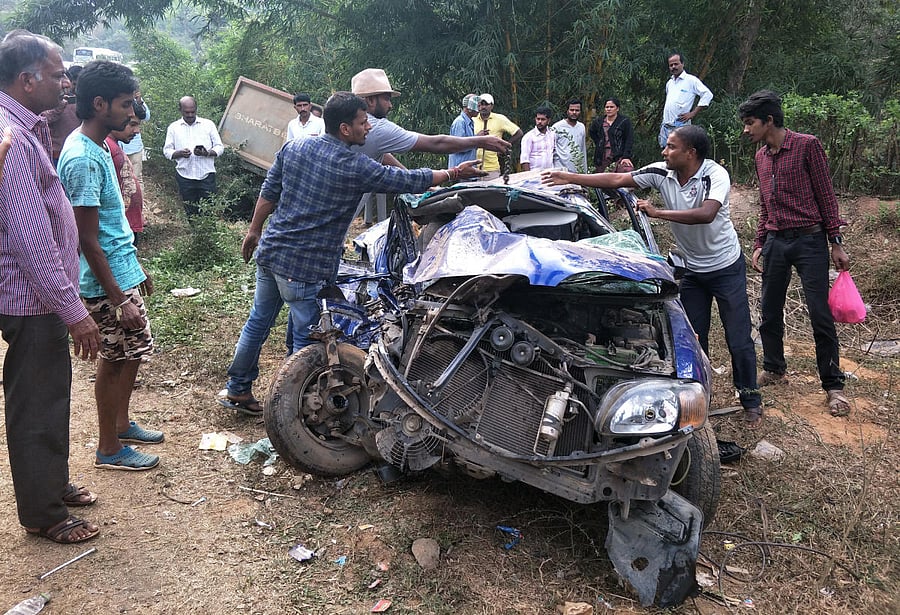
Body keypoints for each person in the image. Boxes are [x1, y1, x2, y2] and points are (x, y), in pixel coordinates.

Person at [218, 92, 485, 415]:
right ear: (345, 128)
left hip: (272, 252)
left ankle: (238, 389)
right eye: (363, 123)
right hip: (305, 266)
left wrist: (254, 230)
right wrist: (454, 175)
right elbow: (405, 180)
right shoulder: (354, 165)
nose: (368, 129)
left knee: (257, 324)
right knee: (307, 343)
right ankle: (294, 415)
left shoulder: (295, 147)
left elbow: (269, 192)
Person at [542, 125, 762, 427]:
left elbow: (706, 213)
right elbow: (618, 179)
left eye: (671, 147)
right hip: (692, 270)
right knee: (693, 339)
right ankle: (700, 400)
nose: (664, 152)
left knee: (738, 339)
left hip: (725, 267)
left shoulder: (714, 175)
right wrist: (570, 177)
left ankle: (750, 399)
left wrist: (658, 213)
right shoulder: (662, 172)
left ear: (690, 153)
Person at [0, 29, 102, 544]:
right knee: (37, 400)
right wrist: (74, 311)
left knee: (50, 392)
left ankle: (52, 484)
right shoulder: (12, 139)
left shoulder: (24, 125)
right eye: (58, 73)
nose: (66, 82)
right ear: (27, 80)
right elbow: (30, 239)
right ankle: (43, 514)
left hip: (37, 295)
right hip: (30, 297)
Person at [58, 60, 162, 471]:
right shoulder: (82, 157)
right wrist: (120, 298)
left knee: (133, 351)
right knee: (115, 358)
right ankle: (108, 449)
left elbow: (111, 223)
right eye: (123, 104)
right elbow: (86, 238)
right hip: (104, 285)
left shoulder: (99, 146)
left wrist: (135, 270)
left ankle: (121, 424)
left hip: (121, 271)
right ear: (100, 104)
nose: (130, 112)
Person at [739, 90, 851, 418]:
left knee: (819, 314)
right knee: (770, 310)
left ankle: (833, 385)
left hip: (809, 241)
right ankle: (774, 368)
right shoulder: (761, 156)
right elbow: (765, 204)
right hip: (776, 240)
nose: (747, 130)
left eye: (750, 123)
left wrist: (836, 241)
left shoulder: (807, 145)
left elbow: (826, 196)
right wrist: (760, 242)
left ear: (769, 121)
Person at [350, 70, 511, 166]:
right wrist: (481, 141)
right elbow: (436, 143)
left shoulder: (353, 126)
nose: (390, 105)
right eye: (387, 99)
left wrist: (420, 185)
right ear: (370, 100)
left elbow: (383, 154)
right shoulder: (377, 128)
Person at [163, 95, 224, 217]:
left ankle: (209, 233)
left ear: (196, 109)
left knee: (209, 210)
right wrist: (179, 153)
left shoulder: (208, 125)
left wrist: (206, 153)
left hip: (206, 175)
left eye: (193, 111)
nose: (190, 115)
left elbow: (219, 147)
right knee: (191, 211)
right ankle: (196, 234)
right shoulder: (173, 128)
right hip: (185, 176)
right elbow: (167, 150)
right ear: (180, 110)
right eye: (187, 112)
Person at [659, 53, 712, 148]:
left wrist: (693, 113)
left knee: (681, 153)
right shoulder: (669, 83)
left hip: (681, 125)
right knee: (666, 153)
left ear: (682, 64)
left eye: (676, 64)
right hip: (666, 125)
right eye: (671, 65)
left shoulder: (691, 80)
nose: (673, 67)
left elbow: (707, 94)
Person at [108, 102, 145, 238]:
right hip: (119, 229)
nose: (137, 131)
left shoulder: (114, 146)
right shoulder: (106, 149)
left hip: (128, 224)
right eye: (132, 125)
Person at [473, 93, 522, 178]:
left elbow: (518, 133)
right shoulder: (472, 119)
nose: (483, 107)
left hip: (491, 168)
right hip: (473, 168)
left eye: (486, 104)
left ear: (492, 106)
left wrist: (504, 146)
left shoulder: (499, 119)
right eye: (481, 104)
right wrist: (477, 137)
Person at [42, 64, 81, 166]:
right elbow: (43, 119)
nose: (67, 85)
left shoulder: (79, 101)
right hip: (56, 154)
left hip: (76, 152)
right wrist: (58, 108)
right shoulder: (49, 101)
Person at [589, 97, 634, 173]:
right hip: (602, 156)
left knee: (626, 172)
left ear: (617, 108)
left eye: (611, 107)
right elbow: (592, 132)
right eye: (607, 107)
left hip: (619, 155)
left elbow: (629, 139)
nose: (609, 109)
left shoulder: (624, 121)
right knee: (602, 180)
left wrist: (626, 156)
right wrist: (599, 142)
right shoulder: (599, 121)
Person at [120, 89, 149, 183]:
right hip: (120, 147)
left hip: (134, 148)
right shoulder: (116, 101)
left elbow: (146, 116)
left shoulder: (138, 101)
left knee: (136, 180)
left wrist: (139, 102)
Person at [552, 98, 587, 173]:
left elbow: (582, 149)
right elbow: (550, 150)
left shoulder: (581, 127)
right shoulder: (557, 127)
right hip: (560, 169)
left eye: (577, 110)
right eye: (572, 110)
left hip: (576, 169)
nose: (574, 112)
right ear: (567, 111)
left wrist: (584, 171)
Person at [519, 106, 555, 171]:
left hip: (550, 173)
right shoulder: (529, 137)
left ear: (549, 121)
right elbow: (524, 160)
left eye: (543, 119)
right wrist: (528, 177)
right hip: (534, 174)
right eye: (538, 119)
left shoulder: (552, 134)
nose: (539, 122)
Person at [448, 93, 478, 168]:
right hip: (460, 172)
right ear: (469, 106)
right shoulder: (460, 122)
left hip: (468, 173)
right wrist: (478, 139)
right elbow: (459, 146)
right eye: (477, 105)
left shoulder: (469, 122)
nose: (479, 109)